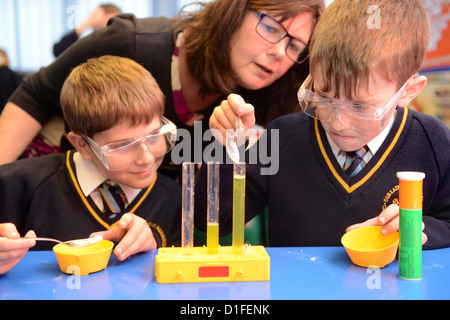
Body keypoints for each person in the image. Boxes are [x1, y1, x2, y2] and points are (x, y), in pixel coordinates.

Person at [195, 0, 450, 249]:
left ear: (408, 91)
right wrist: (226, 145)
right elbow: (212, 219)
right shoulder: (283, 138)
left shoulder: (433, 143)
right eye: (323, 96)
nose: (338, 122)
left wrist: (419, 230)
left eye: (360, 106)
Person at [0, 0, 324, 174]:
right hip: (56, 170)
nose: (280, 53)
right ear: (233, 12)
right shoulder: (133, 42)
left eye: (296, 46)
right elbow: (35, 95)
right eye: (271, 27)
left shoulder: (264, 94)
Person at [0, 56, 181, 275]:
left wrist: (152, 249)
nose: (146, 158)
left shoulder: (174, 200)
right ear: (82, 145)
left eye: (154, 135)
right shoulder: (17, 186)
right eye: (123, 145)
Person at [53, 4, 121, 57]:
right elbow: (58, 51)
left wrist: (87, 23)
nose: (91, 17)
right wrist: (86, 24)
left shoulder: (117, 40)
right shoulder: (93, 41)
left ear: (110, 16)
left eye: (94, 14)